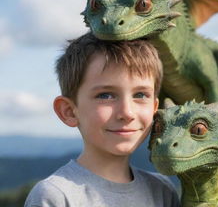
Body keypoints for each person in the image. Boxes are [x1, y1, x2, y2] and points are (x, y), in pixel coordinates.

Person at [24, 33, 180, 207]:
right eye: (105, 95)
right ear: (69, 112)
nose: (127, 113)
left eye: (140, 95)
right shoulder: (56, 196)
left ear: (154, 108)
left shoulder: (162, 191)